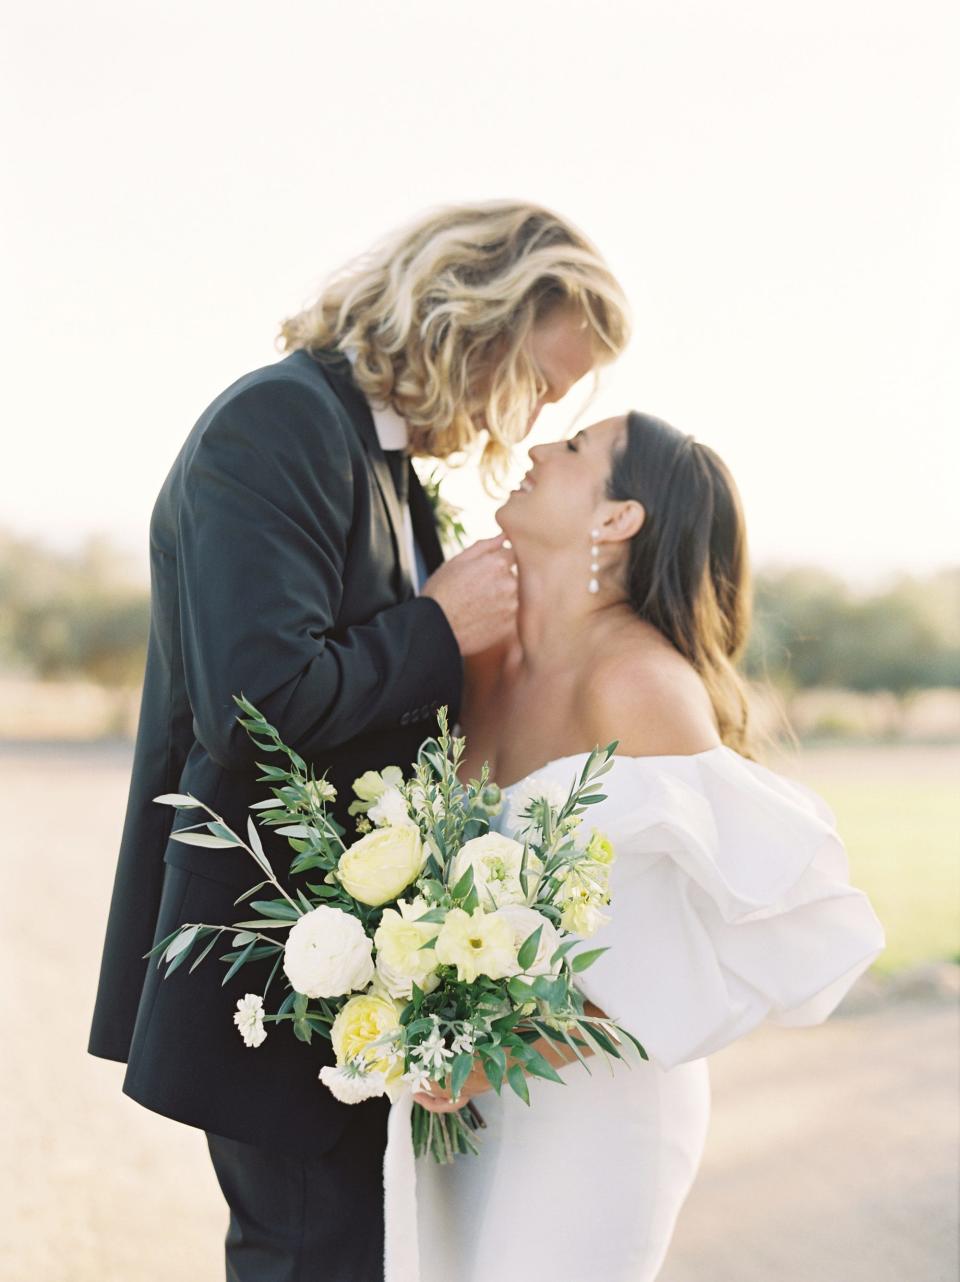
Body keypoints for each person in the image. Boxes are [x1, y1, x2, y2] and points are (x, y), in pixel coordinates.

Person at [86, 202, 630, 1281]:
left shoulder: (381, 458)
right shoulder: (277, 424)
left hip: (334, 968)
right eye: (538, 383)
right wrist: (439, 622)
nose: (525, 425)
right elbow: (254, 705)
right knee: (305, 1256)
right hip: (264, 954)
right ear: (470, 322)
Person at [413, 412, 885, 1282]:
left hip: (594, 1111)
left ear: (616, 518)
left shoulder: (638, 684)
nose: (538, 449)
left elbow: (735, 941)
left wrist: (513, 1049)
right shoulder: (477, 662)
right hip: (459, 1106)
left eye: (574, 448)